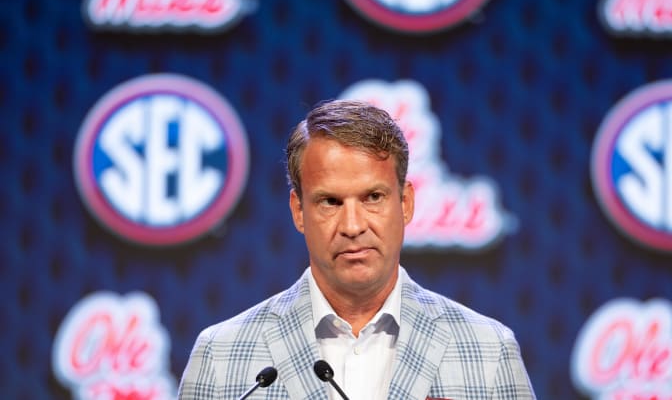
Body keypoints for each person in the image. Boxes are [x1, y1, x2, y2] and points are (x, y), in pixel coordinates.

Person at [178, 100, 535, 399]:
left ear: (406, 203)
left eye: (373, 197)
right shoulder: (221, 354)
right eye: (330, 202)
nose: (352, 225)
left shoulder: (489, 350)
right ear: (298, 210)